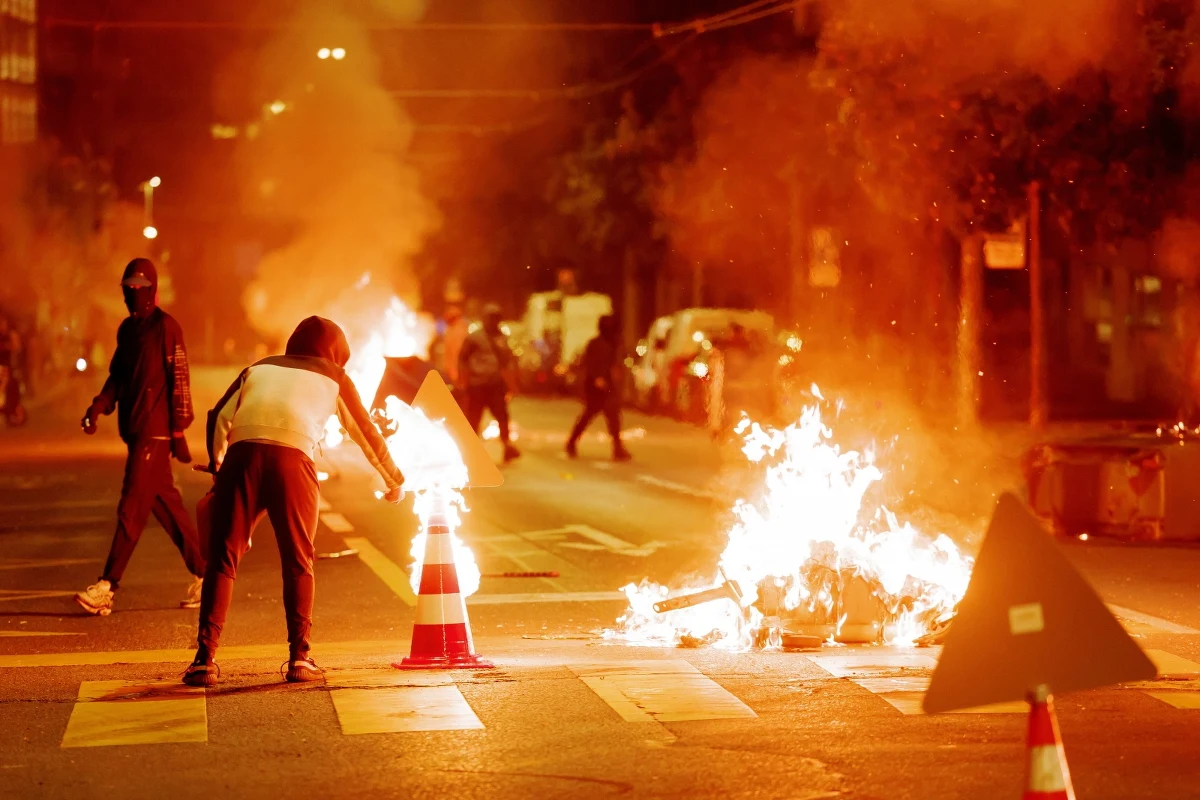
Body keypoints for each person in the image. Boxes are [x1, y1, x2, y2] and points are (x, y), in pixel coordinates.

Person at [184, 316, 406, 687]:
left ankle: (203, 660)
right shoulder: (335, 377)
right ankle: (299, 659)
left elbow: (218, 418)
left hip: (242, 458)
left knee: (223, 558)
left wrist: (218, 470)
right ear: (336, 353)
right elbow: (364, 432)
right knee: (298, 560)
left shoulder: (258, 367)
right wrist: (393, 479)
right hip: (293, 462)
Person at [75, 259, 205, 616]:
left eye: (140, 287)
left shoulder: (168, 328)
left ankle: (107, 585)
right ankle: (207, 575)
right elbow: (118, 376)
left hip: (156, 432)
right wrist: (99, 406)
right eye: (128, 287)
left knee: (131, 506)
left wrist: (179, 428)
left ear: (153, 288)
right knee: (167, 507)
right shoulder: (128, 332)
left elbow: (179, 379)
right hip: (136, 431)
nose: (134, 293)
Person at [457, 303, 520, 463]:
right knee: (474, 418)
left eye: (496, 318)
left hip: (495, 384)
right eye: (491, 318)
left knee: (503, 417)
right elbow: (463, 359)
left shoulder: (502, 338)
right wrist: (463, 381)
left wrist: (511, 384)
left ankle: (507, 446)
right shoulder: (474, 338)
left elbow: (507, 362)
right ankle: (469, 451)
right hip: (477, 384)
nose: (494, 321)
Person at [566, 315, 631, 461]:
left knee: (610, 416)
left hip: (606, 384)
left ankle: (617, 448)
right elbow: (591, 363)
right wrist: (597, 378)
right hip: (597, 385)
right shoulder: (597, 344)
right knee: (591, 415)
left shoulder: (612, 343)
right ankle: (572, 442)